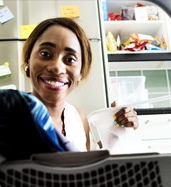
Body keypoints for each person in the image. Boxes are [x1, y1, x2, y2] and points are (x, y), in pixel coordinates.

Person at [21, 17, 139, 152]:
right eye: (45, 54)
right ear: (27, 61)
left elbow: (89, 164)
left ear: (81, 73)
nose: (57, 67)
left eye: (70, 59)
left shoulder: (78, 118)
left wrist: (120, 130)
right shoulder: (3, 115)